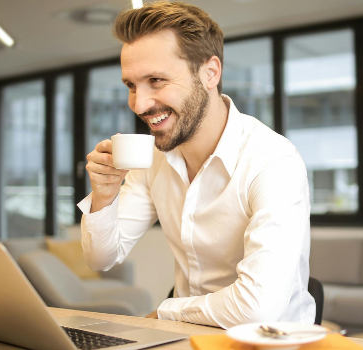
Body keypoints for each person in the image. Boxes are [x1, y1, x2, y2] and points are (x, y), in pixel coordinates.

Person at [79, 1, 315, 329]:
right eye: (131, 86)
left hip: (267, 339)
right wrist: (104, 196)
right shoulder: (154, 160)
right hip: (187, 337)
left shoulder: (273, 161)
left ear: (210, 72)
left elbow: (257, 308)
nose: (140, 104)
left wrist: (167, 311)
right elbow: (101, 258)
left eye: (156, 80)